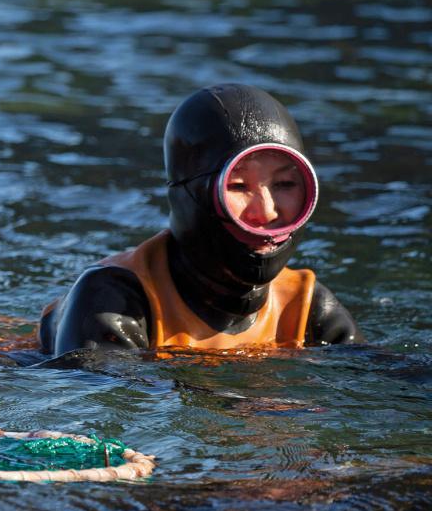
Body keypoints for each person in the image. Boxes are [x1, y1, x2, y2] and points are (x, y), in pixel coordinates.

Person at [38, 83, 362, 356]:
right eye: (238, 186)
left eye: (285, 184)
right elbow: (100, 392)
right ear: (189, 193)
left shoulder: (304, 304)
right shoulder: (112, 298)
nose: (266, 212)